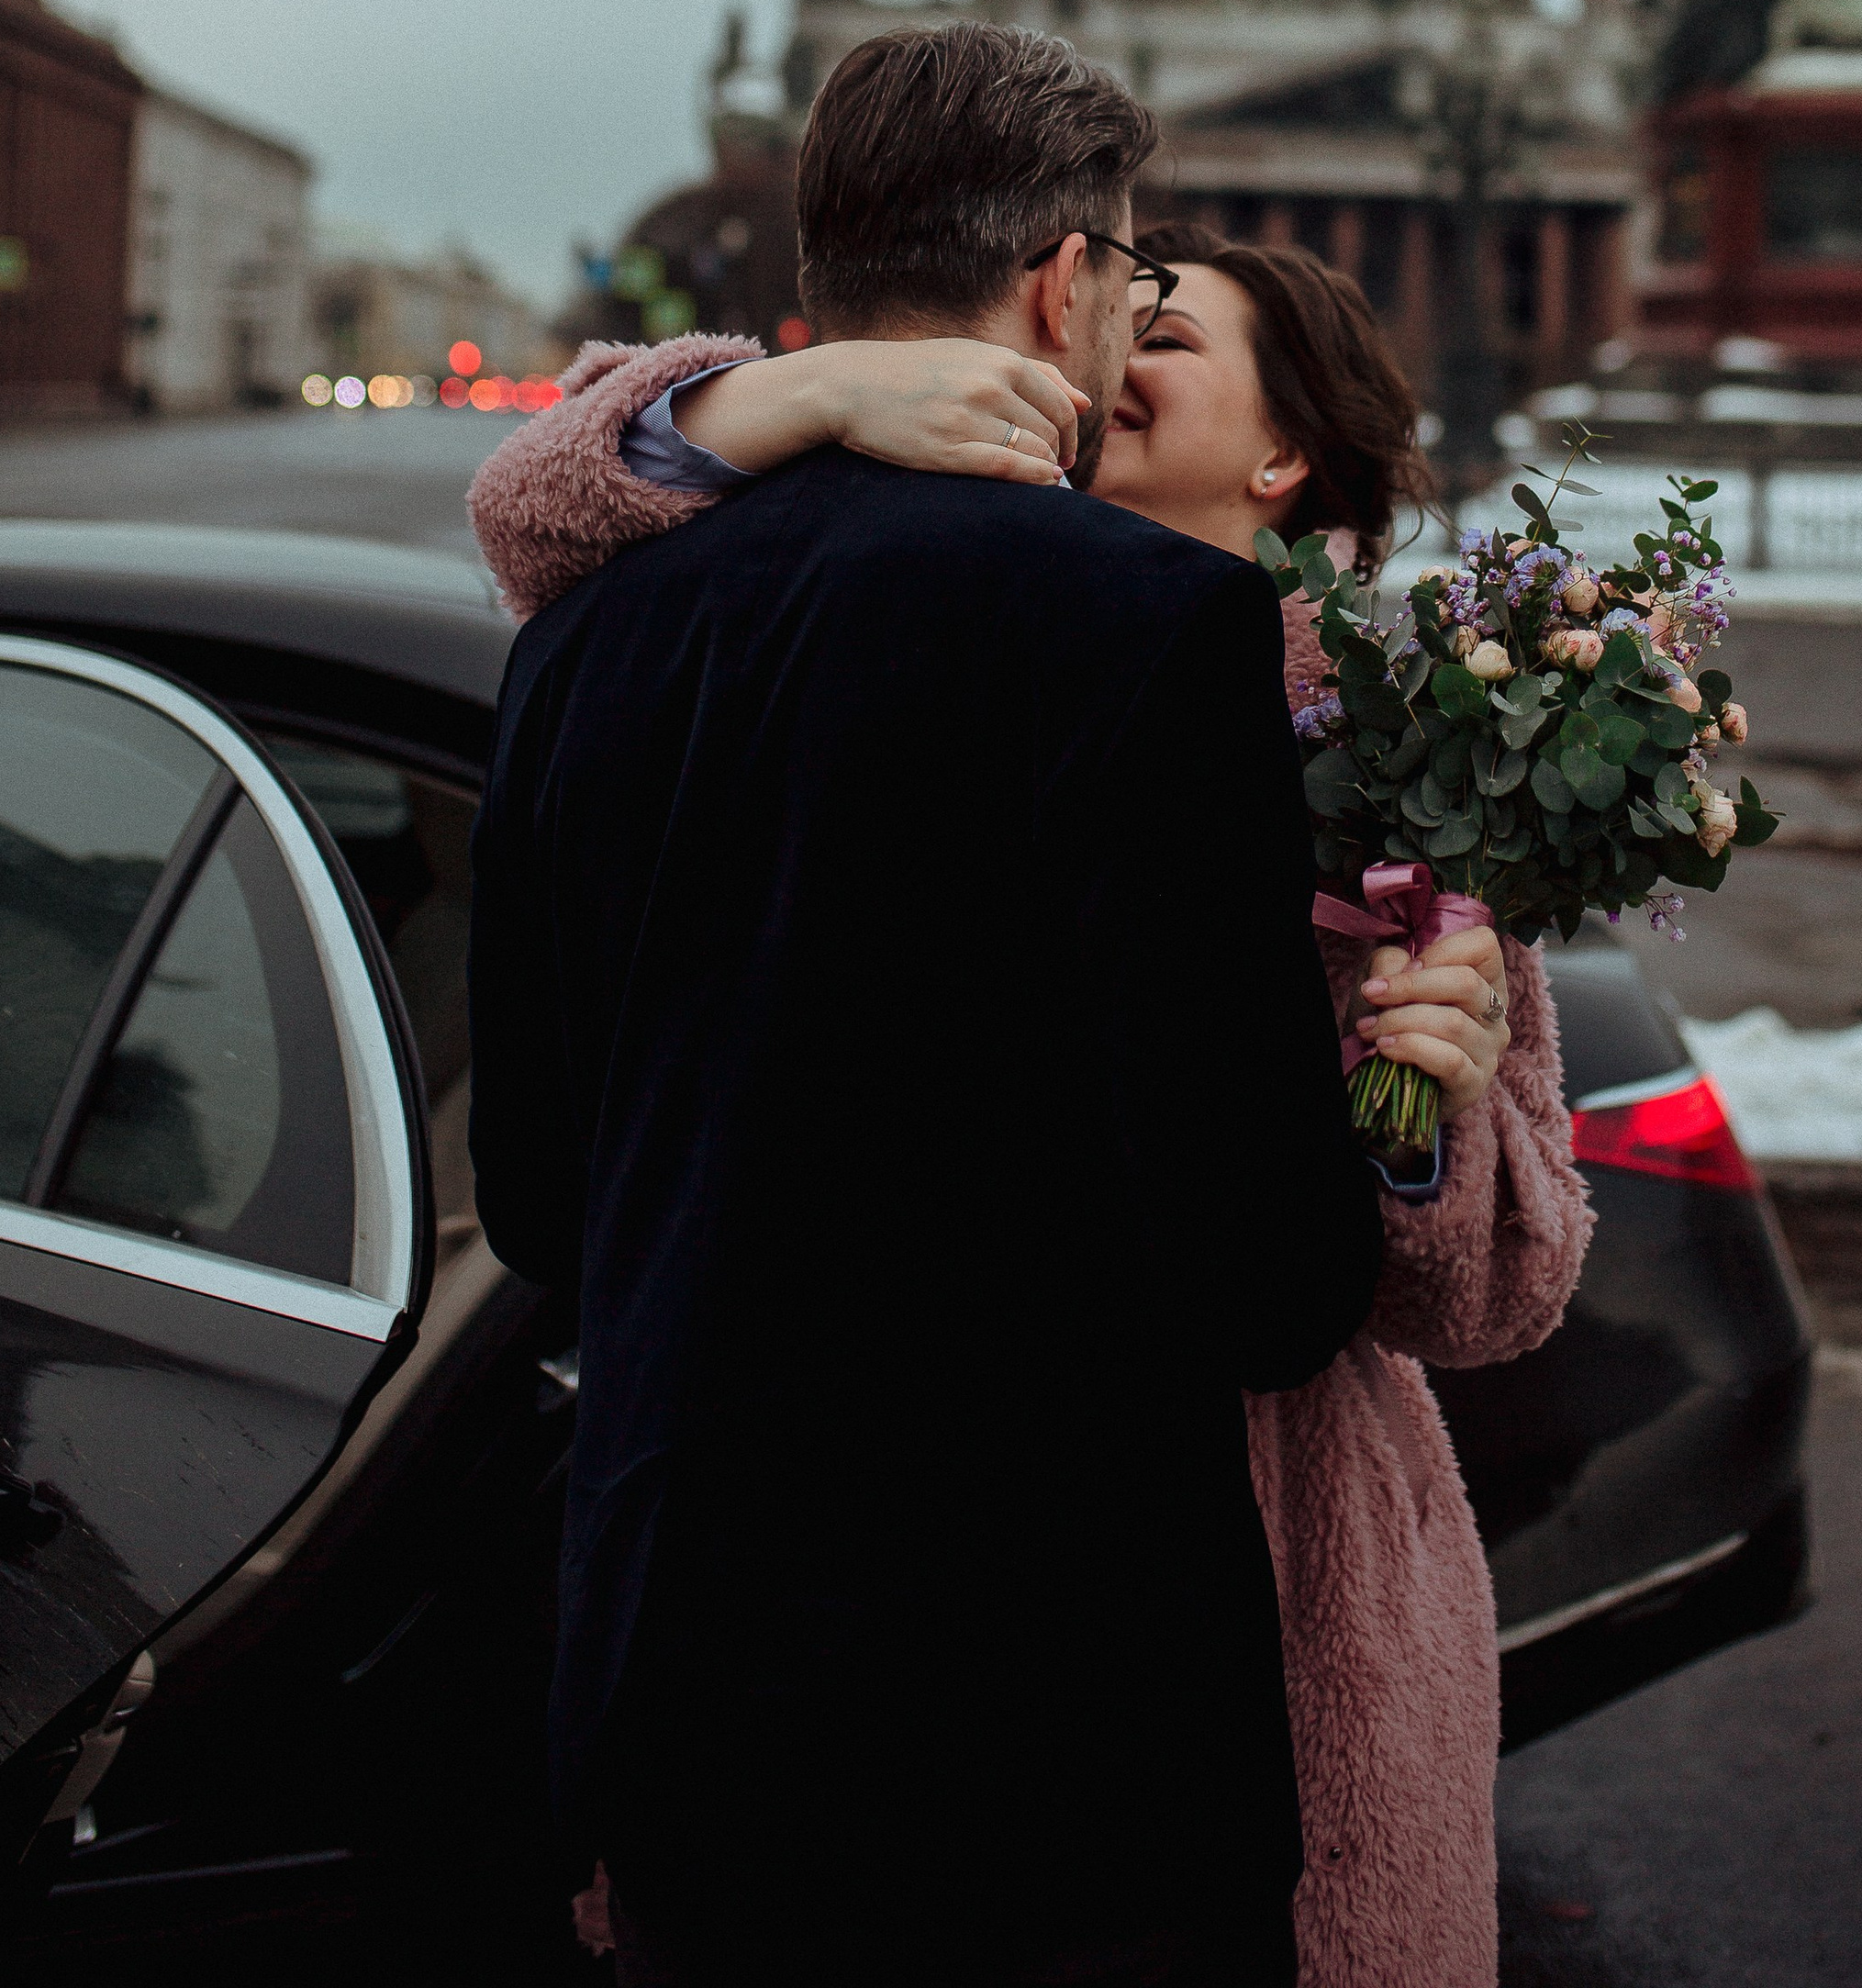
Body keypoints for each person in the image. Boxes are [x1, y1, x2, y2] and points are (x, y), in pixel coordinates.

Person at [474, 193, 1592, 1988]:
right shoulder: (917, 624)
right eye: (1116, 320)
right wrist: (791, 392)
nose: (1101, 362)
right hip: (894, 1592)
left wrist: (1426, 1110)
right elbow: (550, 516)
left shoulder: (1404, 778)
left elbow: (1488, 1296)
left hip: (1265, 1579)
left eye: (1168, 343)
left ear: (1287, 452)